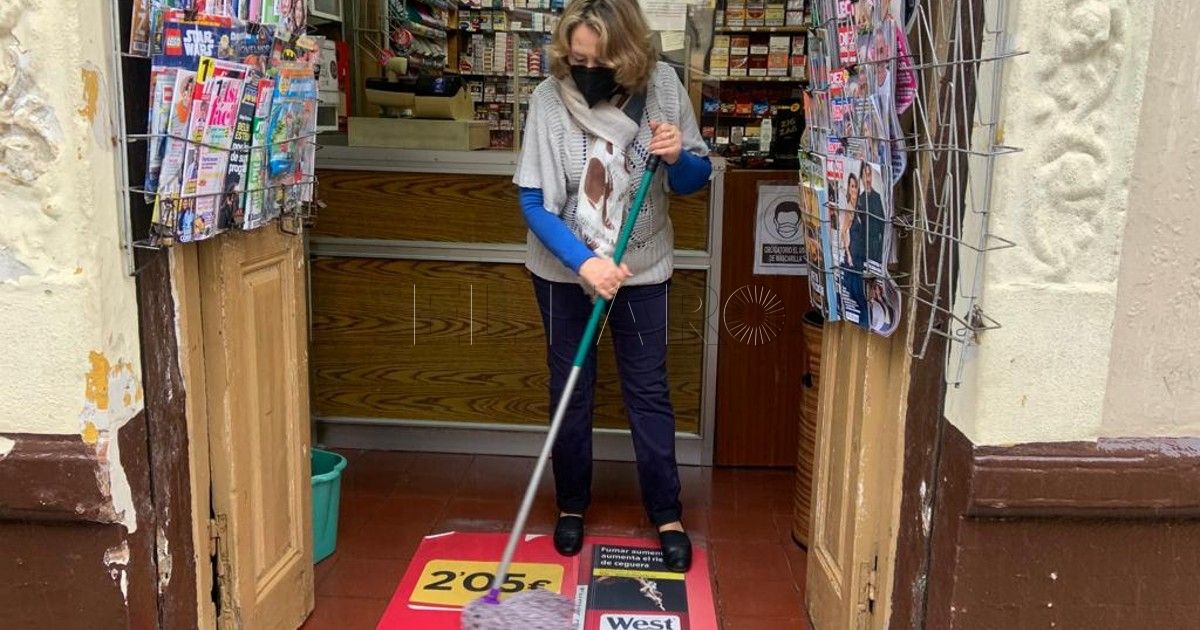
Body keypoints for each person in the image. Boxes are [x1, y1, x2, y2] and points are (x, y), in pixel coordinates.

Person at [512, 0, 712, 573]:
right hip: (562, 267)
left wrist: (678, 156)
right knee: (571, 387)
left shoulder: (664, 87)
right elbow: (533, 200)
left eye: (602, 59)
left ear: (629, 54)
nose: (588, 69)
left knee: (647, 389)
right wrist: (584, 262)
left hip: (643, 264)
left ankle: (666, 513)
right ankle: (572, 505)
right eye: (577, 58)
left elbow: (697, 177)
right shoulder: (549, 100)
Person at [856, 162, 887, 269]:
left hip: (877, 248)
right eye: (865, 176)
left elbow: (883, 227)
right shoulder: (859, 200)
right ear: (861, 178)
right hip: (863, 250)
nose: (868, 179)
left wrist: (881, 253)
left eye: (869, 175)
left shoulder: (878, 197)